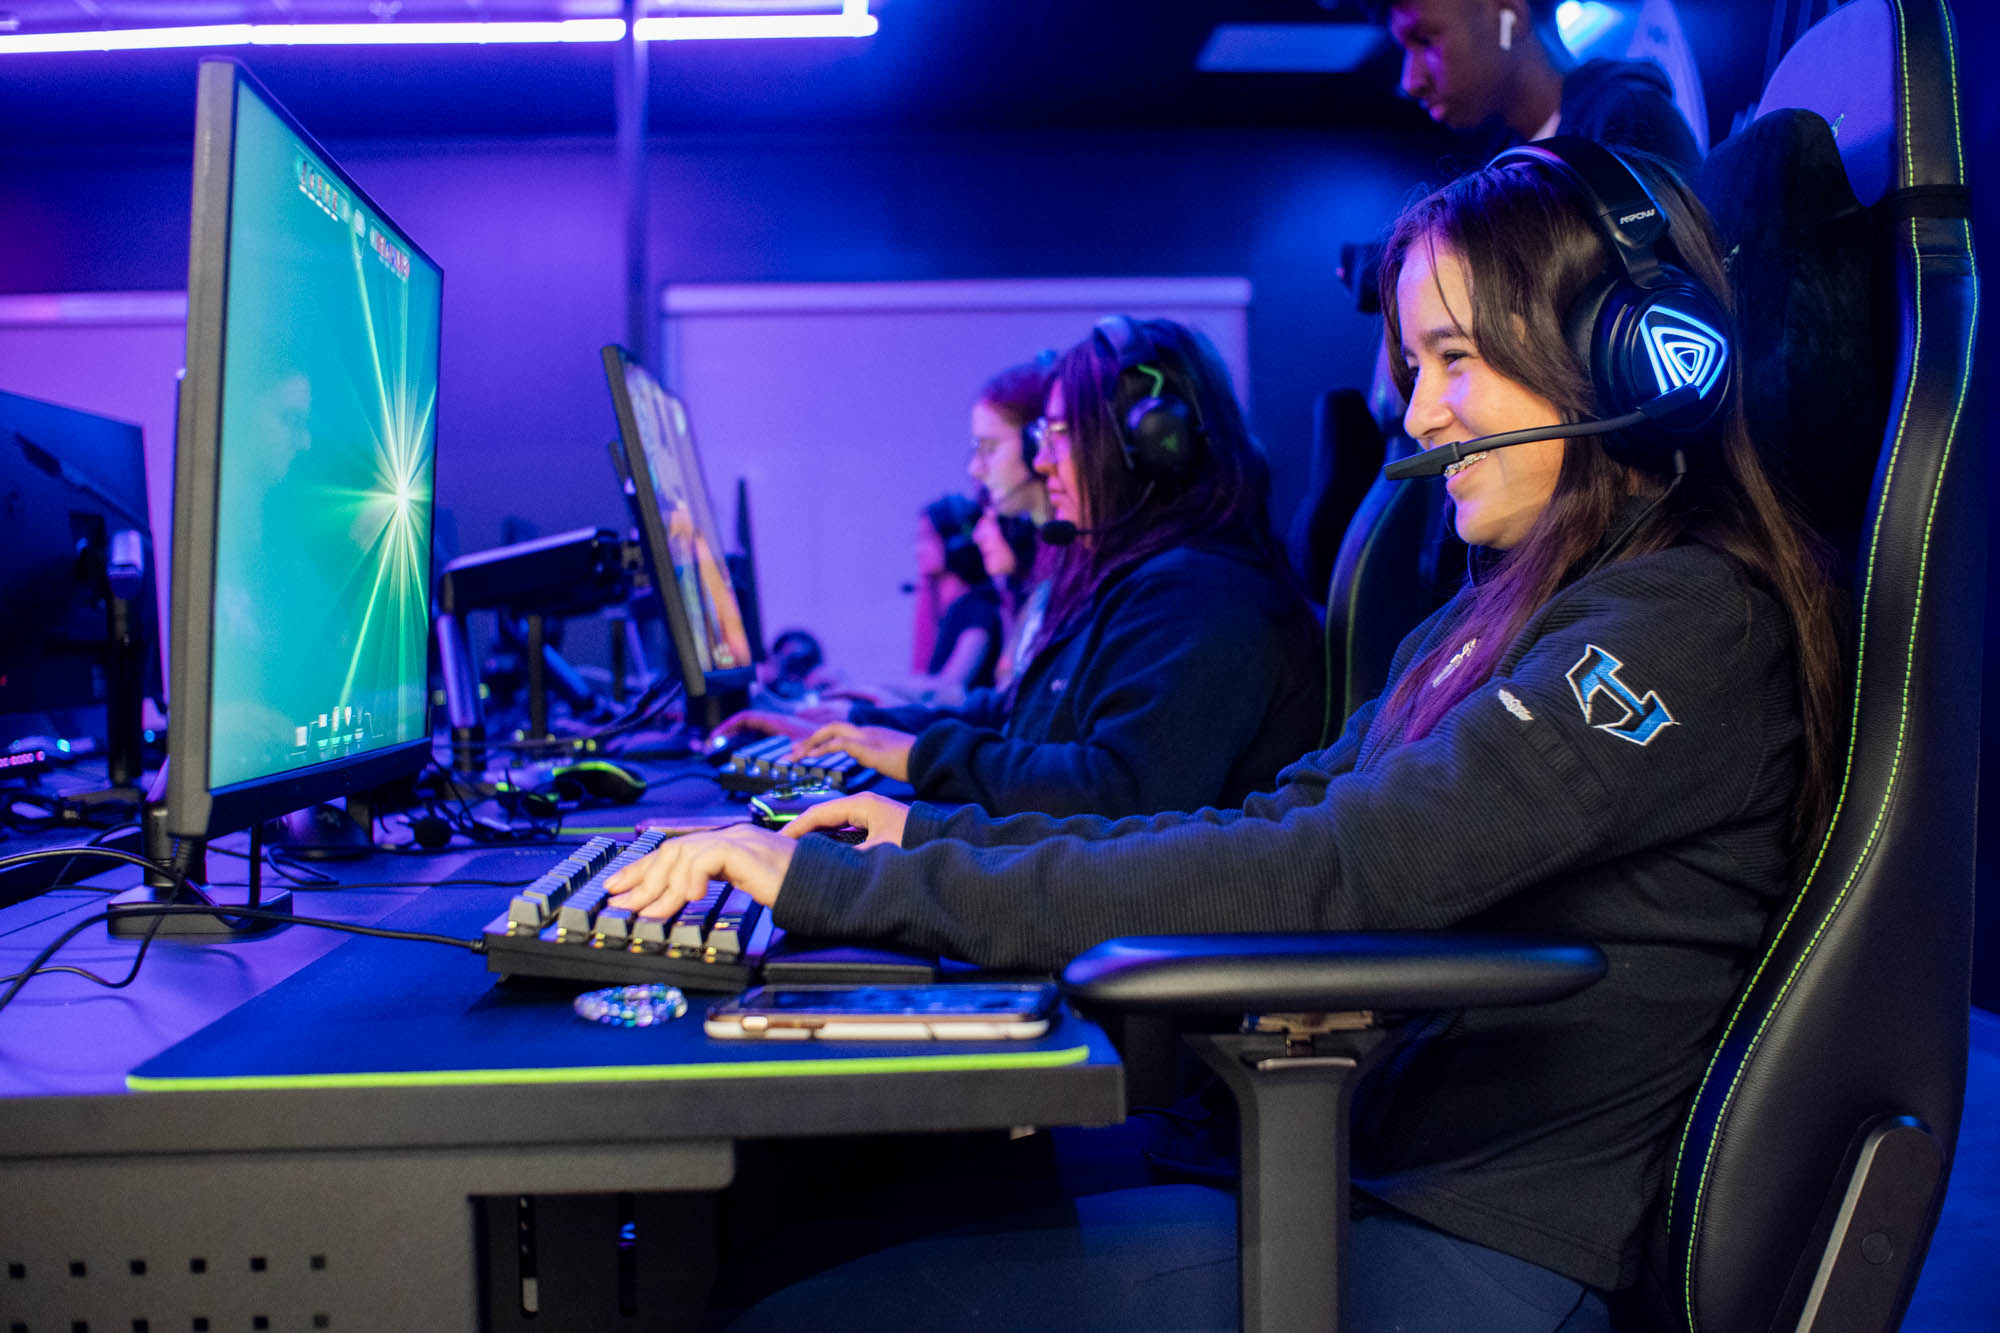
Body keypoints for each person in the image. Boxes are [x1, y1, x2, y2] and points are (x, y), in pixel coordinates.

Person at [607, 145, 1844, 1329]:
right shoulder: (1500, 613)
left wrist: (849, 884)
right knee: (799, 1210)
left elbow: (1346, 870)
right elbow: (1273, 821)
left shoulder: (1682, 628)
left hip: (1477, 1245)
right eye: (1412, 367)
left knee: (785, 1309)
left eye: (1453, 358)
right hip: (1354, 1172)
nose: (1415, 417)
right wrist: (922, 837)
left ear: (1633, 361)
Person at [718, 319, 1324, 820]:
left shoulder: (1201, 598)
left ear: (1154, 445)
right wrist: (861, 725)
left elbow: (1116, 794)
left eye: (1060, 436)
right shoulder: (1136, 582)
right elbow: (1021, 719)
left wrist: (921, 761)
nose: (1043, 461)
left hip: (1132, 938)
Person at [1375, 0, 1702, 176]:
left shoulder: (1630, 121)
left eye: (1426, 39)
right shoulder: (1504, 164)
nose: (1410, 82)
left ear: (1509, 15)